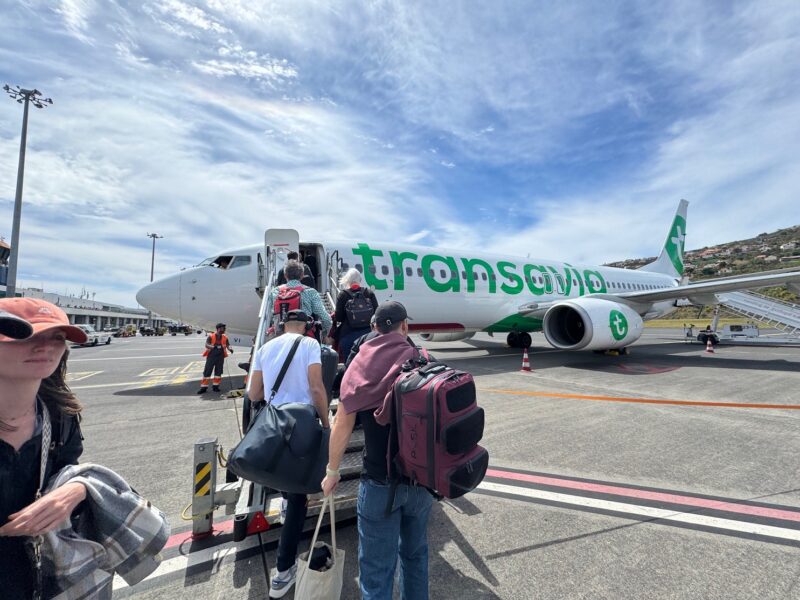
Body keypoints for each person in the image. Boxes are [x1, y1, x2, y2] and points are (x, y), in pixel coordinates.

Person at [322, 301, 433, 600]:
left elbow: (342, 424)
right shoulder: (423, 358)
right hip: (420, 482)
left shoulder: (359, 366)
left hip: (379, 483)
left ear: (373, 327)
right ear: (404, 327)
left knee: (375, 572)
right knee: (415, 557)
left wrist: (332, 472)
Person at [0, 298, 89, 600]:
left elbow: (69, 470)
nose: (46, 346)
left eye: (57, 337)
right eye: (26, 334)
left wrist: (76, 489)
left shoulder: (60, 418)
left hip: (38, 576)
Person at [249, 310, 331, 599]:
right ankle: (283, 572)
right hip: (301, 423)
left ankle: (284, 505)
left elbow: (254, 394)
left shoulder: (265, 347)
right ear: (307, 326)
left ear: (281, 326)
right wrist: (326, 422)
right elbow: (317, 388)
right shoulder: (310, 345)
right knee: (299, 497)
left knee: (282, 478)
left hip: (274, 423)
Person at [269, 260, 332, 337]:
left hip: (281, 335)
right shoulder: (310, 292)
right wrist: (325, 334)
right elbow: (325, 318)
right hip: (304, 336)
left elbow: (271, 314)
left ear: (285, 275)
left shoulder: (275, 291)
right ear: (302, 275)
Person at [331, 267, 379, 362]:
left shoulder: (343, 295)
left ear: (347, 280)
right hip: (368, 336)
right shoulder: (369, 292)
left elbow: (339, 317)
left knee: (349, 366)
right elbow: (377, 313)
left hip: (348, 336)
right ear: (360, 280)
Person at [197, 322, 233, 394]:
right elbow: (207, 345)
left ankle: (215, 386)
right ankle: (204, 387)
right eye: (223, 328)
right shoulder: (211, 336)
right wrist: (213, 347)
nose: (224, 329)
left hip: (220, 357)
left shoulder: (225, 337)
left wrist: (230, 348)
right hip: (211, 356)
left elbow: (228, 345)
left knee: (218, 372)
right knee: (207, 371)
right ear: (218, 329)